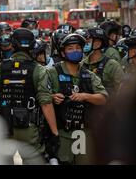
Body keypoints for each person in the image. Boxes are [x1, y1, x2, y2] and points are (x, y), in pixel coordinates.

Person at [0, 28, 60, 163]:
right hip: (29, 127)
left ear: (12, 44)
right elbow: (46, 102)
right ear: (32, 45)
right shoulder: (38, 69)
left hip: (4, 125)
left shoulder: (0, 68)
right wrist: (55, 132)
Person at [43, 34, 108, 164]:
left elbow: (103, 98)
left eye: (78, 47)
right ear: (63, 52)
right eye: (70, 48)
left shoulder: (88, 75)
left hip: (83, 133)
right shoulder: (52, 72)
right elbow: (41, 96)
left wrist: (85, 96)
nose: (75, 51)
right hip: (61, 132)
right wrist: (52, 97)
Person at [81, 27, 124, 97]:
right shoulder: (82, 64)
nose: (85, 44)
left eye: (88, 41)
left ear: (98, 43)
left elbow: (122, 90)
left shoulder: (112, 65)